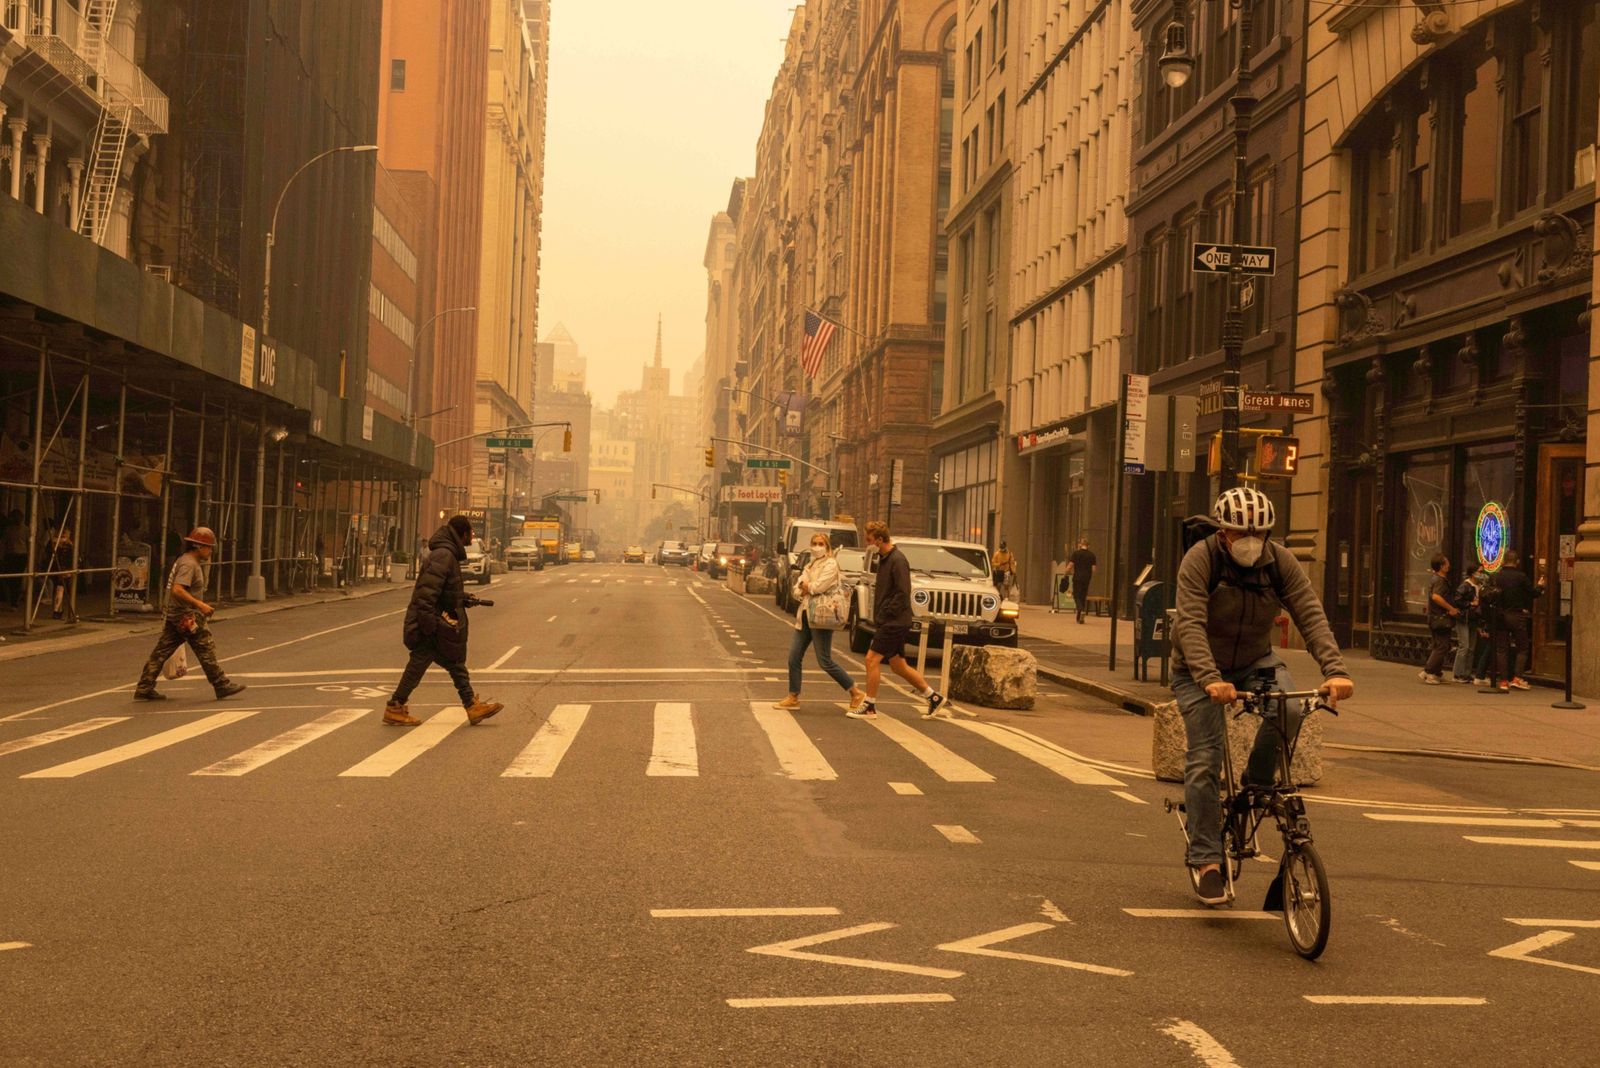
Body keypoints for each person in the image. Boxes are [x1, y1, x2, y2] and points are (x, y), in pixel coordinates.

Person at [1171, 487, 1353, 906]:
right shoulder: (1200, 559)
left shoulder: (1280, 561)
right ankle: (1206, 861)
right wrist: (1210, 679)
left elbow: (1310, 613)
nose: (1250, 541)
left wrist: (1335, 670)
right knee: (1204, 759)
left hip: (1256, 660)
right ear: (1222, 533)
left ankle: (1256, 781)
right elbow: (1192, 625)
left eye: (1259, 533)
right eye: (1239, 533)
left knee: (1291, 704)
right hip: (1198, 670)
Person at [385, 515, 503, 727]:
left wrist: (463, 598)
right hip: (431, 624)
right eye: (471, 533)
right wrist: (431, 627)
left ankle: (471, 706)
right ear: (463, 533)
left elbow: (440, 591)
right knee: (428, 664)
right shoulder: (443, 555)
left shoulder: (446, 554)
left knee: (454, 664)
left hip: (434, 623)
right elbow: (426, 595)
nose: (472, 536)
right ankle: (396, 706)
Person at [133, 527, 247, 701]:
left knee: (161, 652)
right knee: (205, 648)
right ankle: (220, 684)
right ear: (199, 547)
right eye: (209, 547)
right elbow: (178, 590)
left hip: (176, 614)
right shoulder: (189, 564)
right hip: (186, 616)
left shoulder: (185, 560)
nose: (211, 551)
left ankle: (144, 687)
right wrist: (200, 604)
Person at [856, 521, 945, 721]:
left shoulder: (897, 560)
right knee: (898, 665)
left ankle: (869, 705)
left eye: (869, 540)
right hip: (892, 620)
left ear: (879, 539)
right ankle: (934, 697)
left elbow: (903, 592)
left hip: (894, 621)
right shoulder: (886, 559)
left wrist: (886, 612)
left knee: (871, 659)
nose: (867, 543)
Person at [772, 532, 867, 712]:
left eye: (820, 543)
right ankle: (793, 696)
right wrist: (804, 587)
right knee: (794, 657)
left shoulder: (831, 564)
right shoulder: (810, 564)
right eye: (814, 543)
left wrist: (806, 586)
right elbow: (796, 590)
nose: (817, 547)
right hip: (806, 615)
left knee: (824, 661)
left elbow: (818, 587)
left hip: (823, 616)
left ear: (827, 546)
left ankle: (855, 692)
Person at [1489, 549, 1542, 693]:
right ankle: (1517, 678)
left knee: (1502, 649)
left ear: (1504, 561)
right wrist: (1540, 586)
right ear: (1517, 561)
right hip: (1517, 615)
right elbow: (1532, 593)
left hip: (1500, 615)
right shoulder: (1521, 577)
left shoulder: (1496, 576)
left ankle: (1504, 680)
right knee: (1522, 647)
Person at [1419, 554, 1458, 684]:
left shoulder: (1435, 579)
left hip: (1435, 617)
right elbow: (1436, 597)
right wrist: (1450, 608)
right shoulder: (1440, 580)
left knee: (1439, 645)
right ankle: (1428, 672)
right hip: (1440, 617)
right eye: (1447, 563)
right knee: (1442, 646)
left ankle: (1436, 672)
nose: (1449, 565)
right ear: (1441, 566)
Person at [1451, 562, 1486, 684]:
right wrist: (1470, 604)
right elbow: (1457, 600)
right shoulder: (1465, 586)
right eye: (1479, 572)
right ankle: (1457, 674)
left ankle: (1466, 673)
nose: (1481, 574)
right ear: (1472, 573)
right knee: (1464, 646)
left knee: (1471, 648)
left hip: (1473, 619)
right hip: (1464, 618)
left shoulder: (1480, 586)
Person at [1068, 538, 1098, 624]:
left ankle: (1081, 610)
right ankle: (1080, 618)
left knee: (1076, 595)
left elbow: (1070, 565)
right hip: (1086, 578)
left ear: (1080, 544)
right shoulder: (1092, 555)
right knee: (1083, 596)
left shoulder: (1076, 553)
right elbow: (1093, 569)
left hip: (1077, 577)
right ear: (1088, 546)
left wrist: (1066, 573)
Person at [1, 509, 26, 608]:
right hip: (10, 555)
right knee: (9, 578)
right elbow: (3, 543)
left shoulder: (26, 530)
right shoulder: (8, 530)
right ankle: (12, 598)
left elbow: (29, 544)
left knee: (17, 579)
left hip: (21, 556)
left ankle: (14, 601)